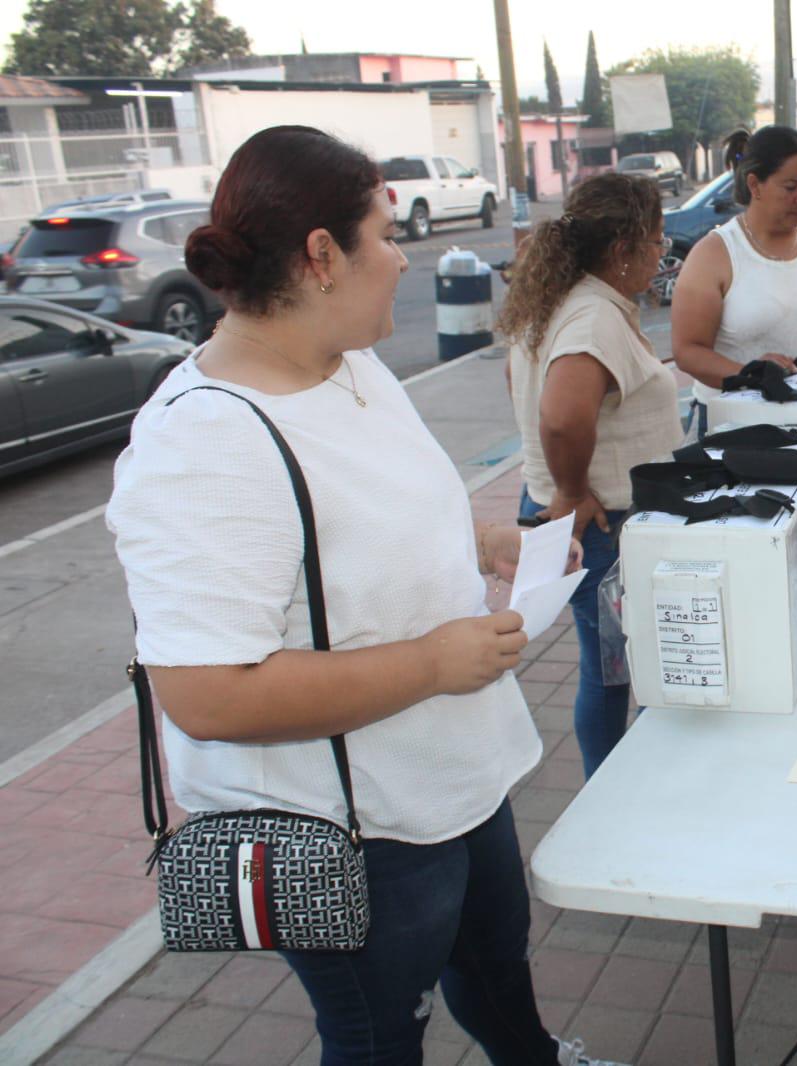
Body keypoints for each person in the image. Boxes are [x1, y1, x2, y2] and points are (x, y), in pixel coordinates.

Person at [106, 126, 617, 1066]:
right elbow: (207, 695)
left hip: (455, 770)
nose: (399, 257)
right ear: (321, 256)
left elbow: (354, 518)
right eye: (384, 235)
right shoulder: (204, 445)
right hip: (355, 825)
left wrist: (482, 539)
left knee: (496, 965)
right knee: (381, 1031)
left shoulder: (355, 365)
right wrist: (431, 661)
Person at [503, 173, 683, 779]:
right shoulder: (592, 316)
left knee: (605, 669)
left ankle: (604, 787)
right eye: (657, 241)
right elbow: (560, 416)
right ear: (623, 247)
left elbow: (524, 393)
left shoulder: (560, 301)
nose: (662, 254)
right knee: (613, 675)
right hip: (605, 526)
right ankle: (607, 794)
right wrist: (574, 491)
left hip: (584, 519)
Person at [671, 125, 797, 437]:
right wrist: (750, 375)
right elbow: (688, 351)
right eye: (790, 187)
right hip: (734, 428)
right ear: (755, 185)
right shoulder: (714, 254)